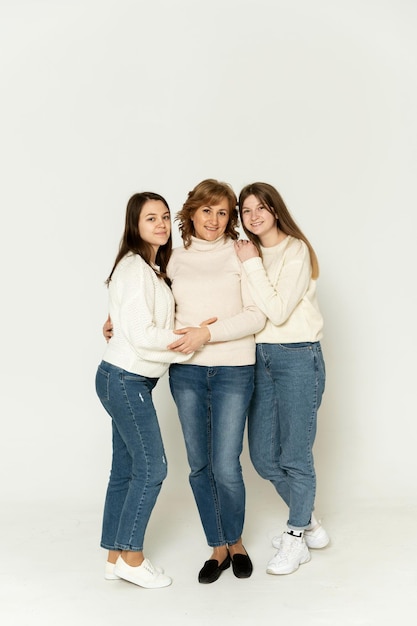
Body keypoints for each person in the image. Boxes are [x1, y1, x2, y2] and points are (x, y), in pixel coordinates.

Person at [96, 192, 210, 589]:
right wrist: (186, 341)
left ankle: (114, 557)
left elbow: (129, 324)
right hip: (125, 378)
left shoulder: (148, 267)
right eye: (150, 219)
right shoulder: (133, 268)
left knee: (126, 470)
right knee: (153, 468)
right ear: (135, 225)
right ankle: (132, 556)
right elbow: (142, 335)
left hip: (127, 377)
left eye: (164, 217)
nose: (161, 224)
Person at [166, 179, 266, 583]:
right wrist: (115, 322)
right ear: (191, 213)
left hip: (234, 370)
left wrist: (207, 333)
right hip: (186, 371)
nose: (214, 219)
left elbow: (257, 314)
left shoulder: (241, 253)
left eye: (223, 212)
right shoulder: (172, 258)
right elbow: (156, 308)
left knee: (225, 465)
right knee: (198, 465)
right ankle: (217, 547)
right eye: (207, 210)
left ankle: (236, 540)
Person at [235, 182, 329, 576]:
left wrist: (252, 262)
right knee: (262, 457)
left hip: (296, 356)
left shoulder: (295, 250)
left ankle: (295, 537)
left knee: (294, 455)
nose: (253, 216)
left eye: (261, 208)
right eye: (246, 210)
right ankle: (308, 522)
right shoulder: (244, 253)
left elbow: (275, 310)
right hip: (259, 358)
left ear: (276, 210)